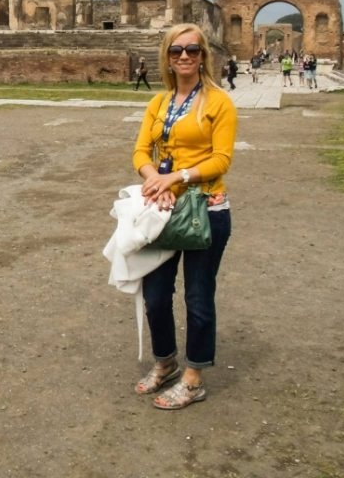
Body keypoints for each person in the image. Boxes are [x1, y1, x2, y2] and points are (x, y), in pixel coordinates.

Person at [131, 23, 237, 410]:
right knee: (156, 296)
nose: (185, 57)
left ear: (203, 55)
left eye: (193, 50)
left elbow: (222, 158)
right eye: (176, 51)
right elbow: (140, 152)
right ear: (167, 57)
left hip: (206, 209)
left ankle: (193, 379)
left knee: (198, 296)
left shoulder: (218, 102)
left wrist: (176, 175)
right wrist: (153, 177)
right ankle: (166, 362)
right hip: (163, 210)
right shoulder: (158, 103)